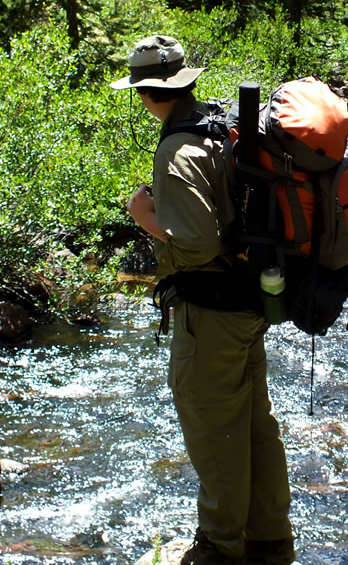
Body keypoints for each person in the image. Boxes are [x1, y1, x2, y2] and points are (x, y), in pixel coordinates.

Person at [110, 35, 296, 565]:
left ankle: (219, 549)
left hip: (209, 314)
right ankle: (270, 541)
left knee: (215, 432)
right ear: (185, 82)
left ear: (145, 94)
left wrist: (145, 219)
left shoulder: (176, 149)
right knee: (256, 426)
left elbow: (197, 243)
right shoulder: (219, 129)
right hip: (247, 307)